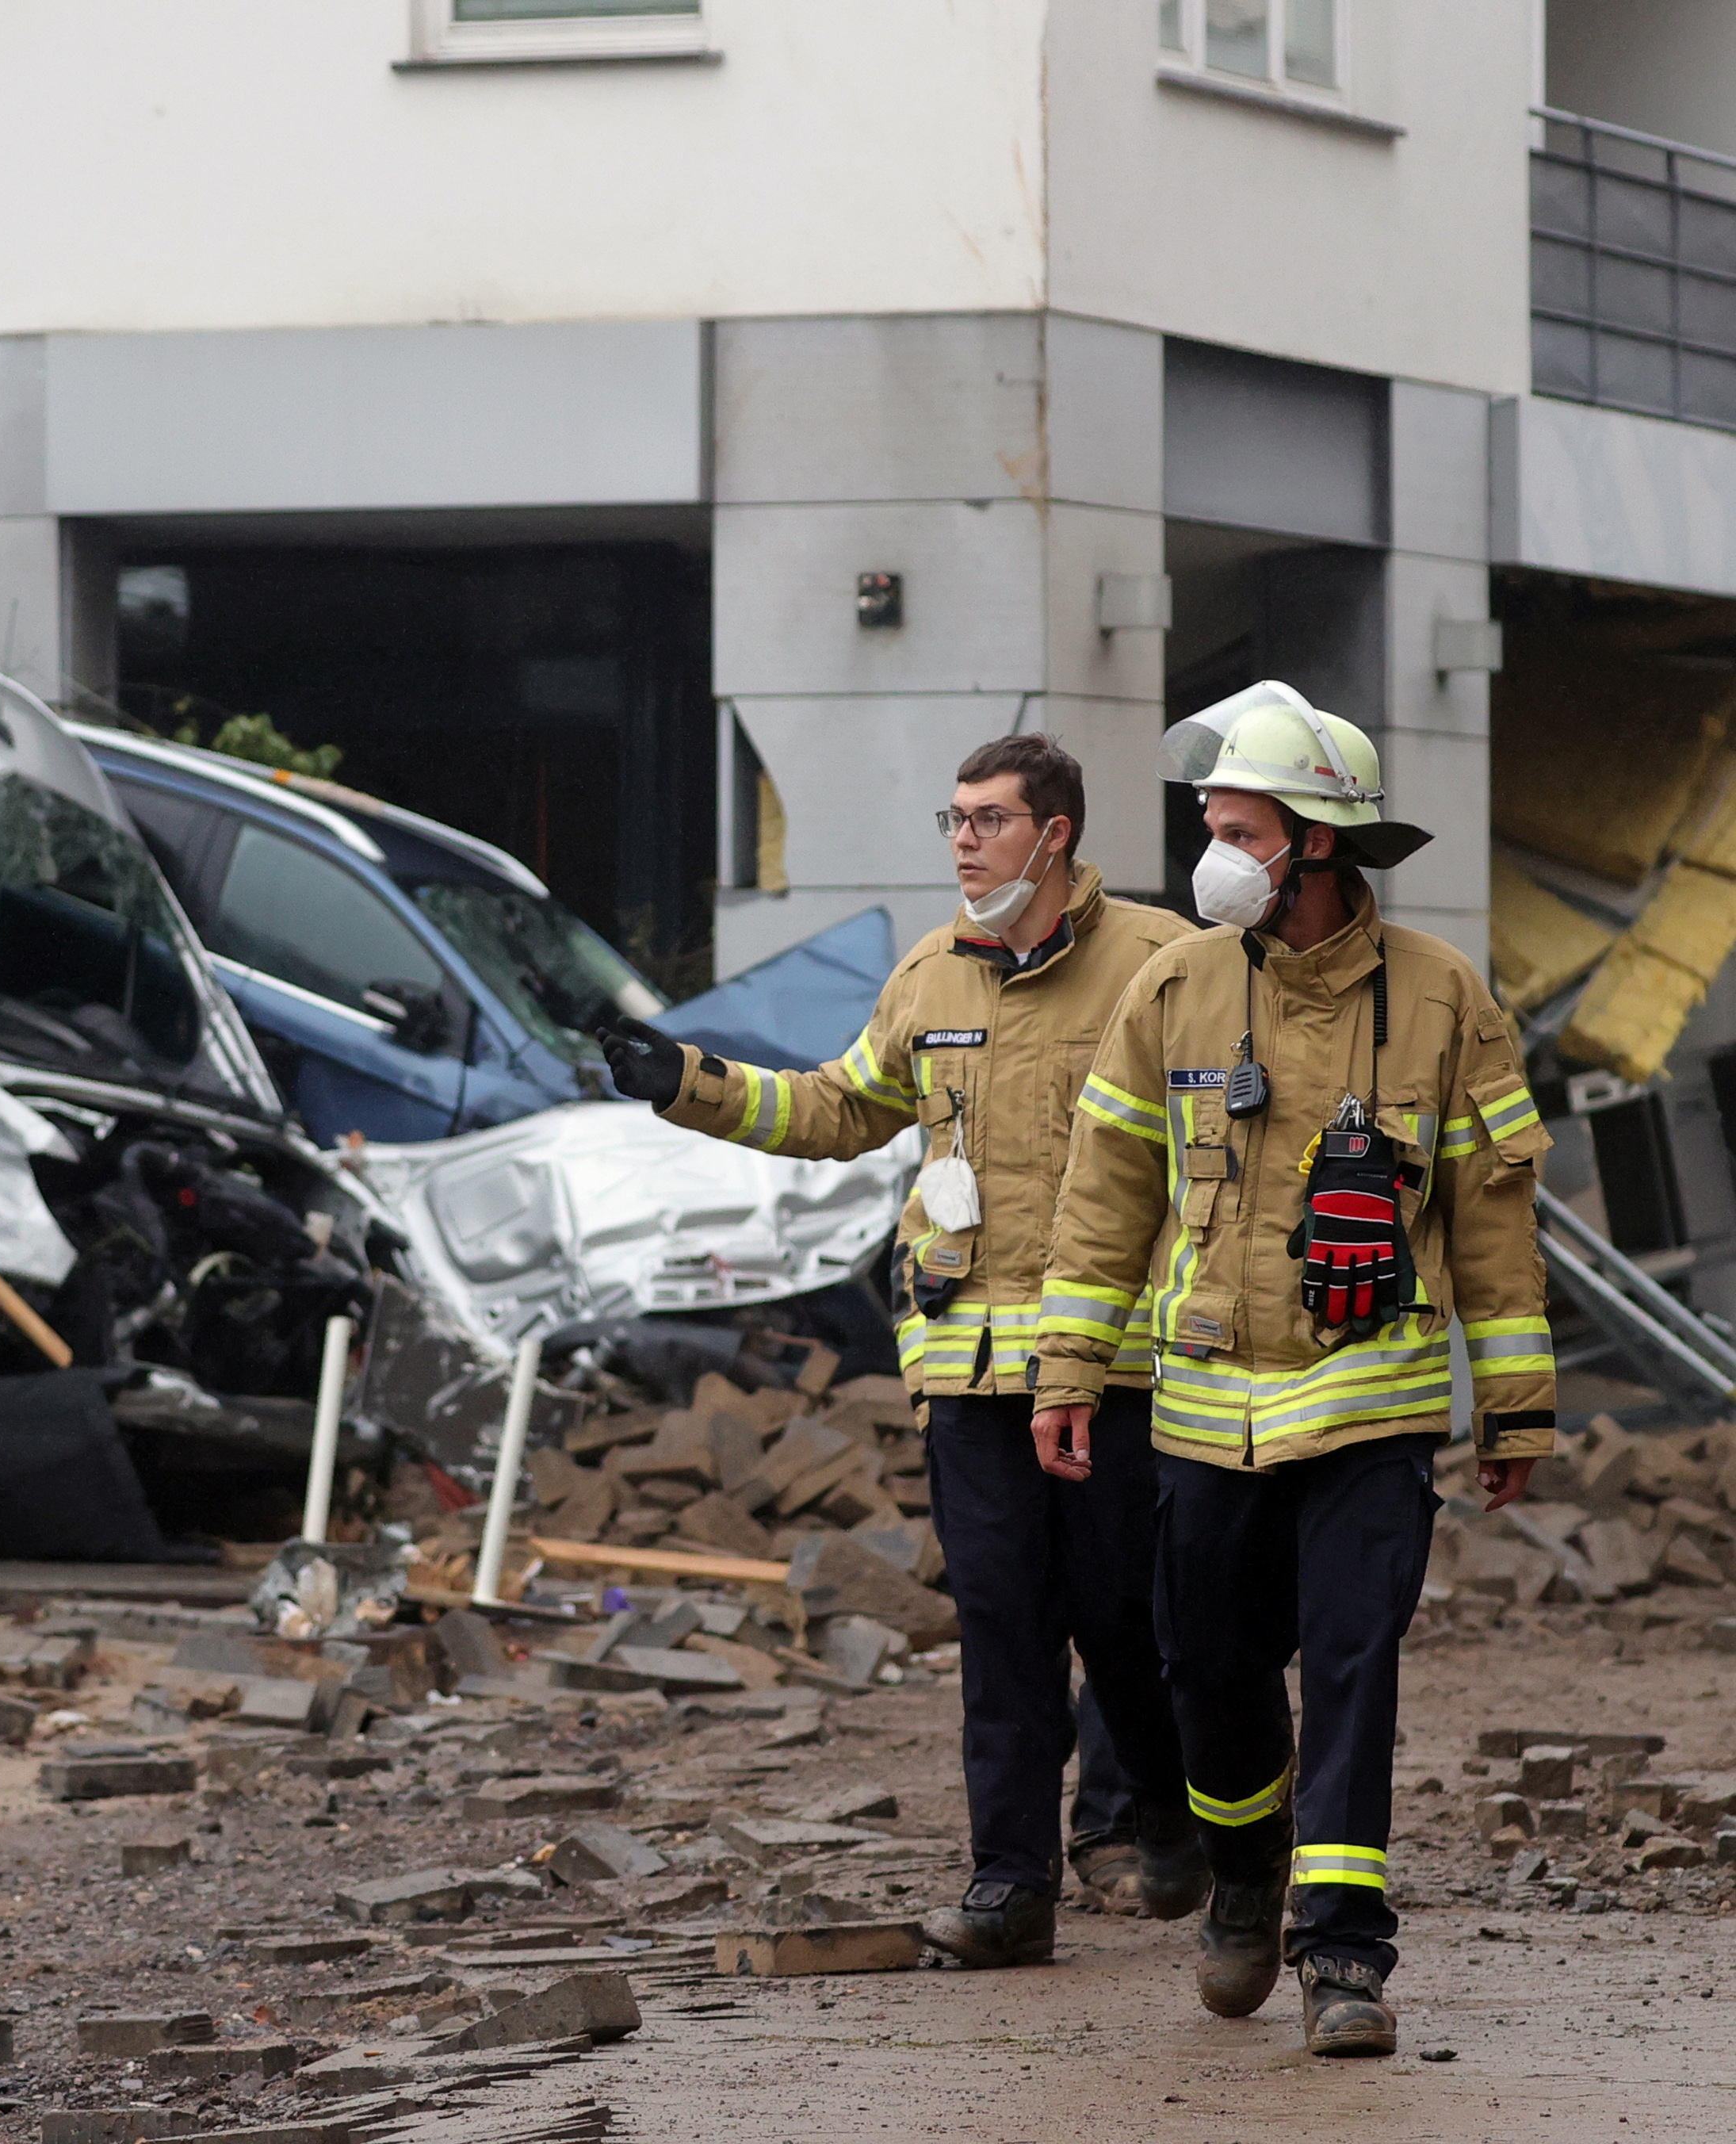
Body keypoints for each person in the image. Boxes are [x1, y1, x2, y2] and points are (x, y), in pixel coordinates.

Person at [599, 734, 1204, 1967]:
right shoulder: (931, 975)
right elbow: (837, 1108)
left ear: (1057, 835)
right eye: (956, 816)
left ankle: (1178, 1817)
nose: (965, 838)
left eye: (990, 818)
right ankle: (1008, 1887)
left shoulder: (1162, 965)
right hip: (970, 1372)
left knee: (1126, 1621)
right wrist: (687, 1083)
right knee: (1000, 1623)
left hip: (1121, 1371)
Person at [1030, 681, 1551, 2058]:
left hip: (1372, 1407)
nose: (1213, 846)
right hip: (1205, 1411)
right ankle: (1248, 1870)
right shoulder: (1176, 988)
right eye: (1211, 818)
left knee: (1356, 1661)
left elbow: (1494, 1213)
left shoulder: (1443, 999)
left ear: (1318, 840)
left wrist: (1516, 1403)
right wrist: (1069, 1372)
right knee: (1205, 1666)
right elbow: (1104, 1199)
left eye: (1239, 824)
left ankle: (1344, 1955)